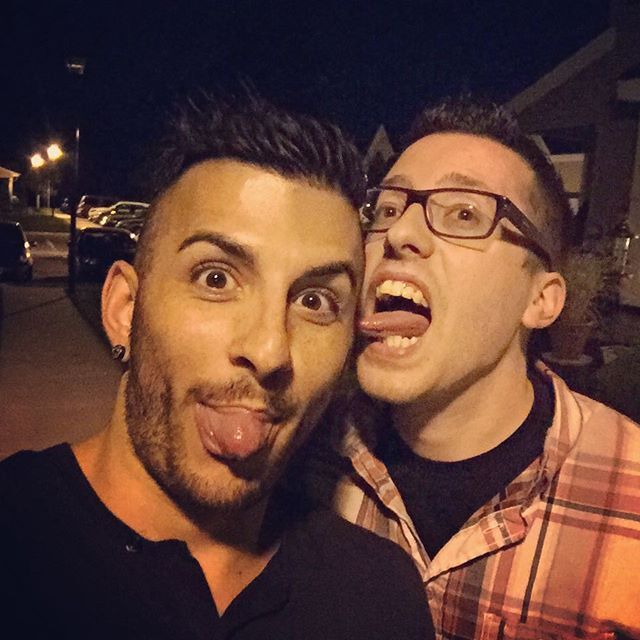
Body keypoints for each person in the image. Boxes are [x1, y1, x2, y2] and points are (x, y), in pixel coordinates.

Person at [0, 96, 434, 639]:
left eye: (315, 301)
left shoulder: (379, 600)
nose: (270, 350)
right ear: (124, 310)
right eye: (216, 278)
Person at [303, 97, 640, 639]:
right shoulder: (305, 452)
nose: (399, 234)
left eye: (464, 214)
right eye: (385, 209)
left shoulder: (630, 496)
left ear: (541, 300)